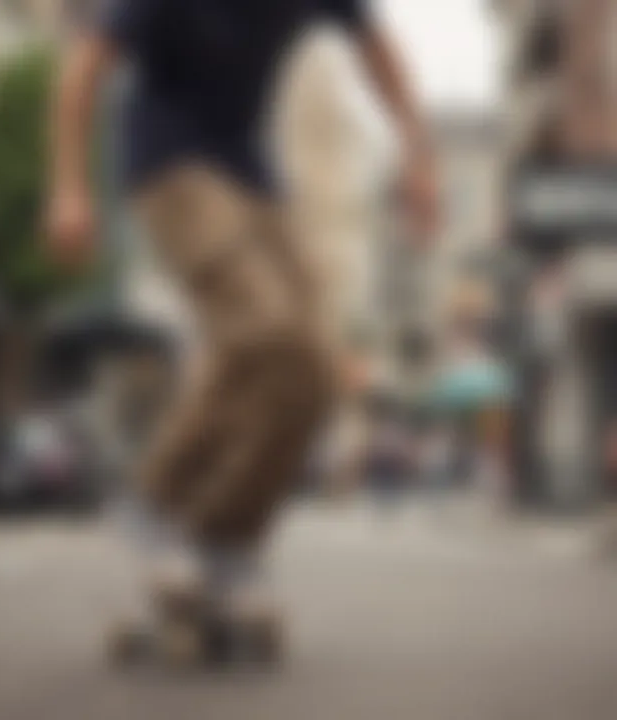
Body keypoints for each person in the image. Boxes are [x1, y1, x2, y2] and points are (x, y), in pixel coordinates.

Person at [47, 0, 439, 665]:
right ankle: (162, 500)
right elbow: (85, 67)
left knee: (315, 372)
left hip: (252, 174)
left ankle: (224, 544)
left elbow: (380, 51)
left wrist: (417, 159)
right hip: (170, 168)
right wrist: (69, 189)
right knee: (265, 331)